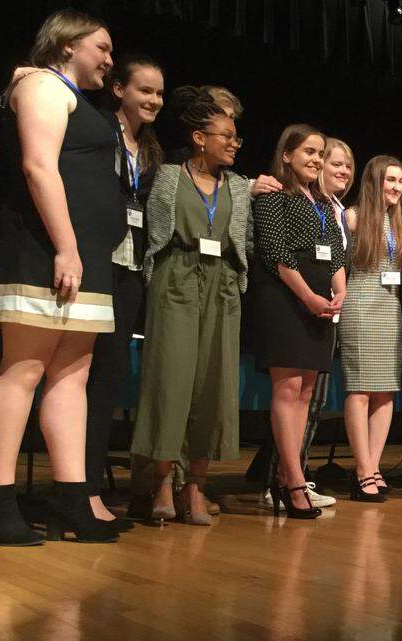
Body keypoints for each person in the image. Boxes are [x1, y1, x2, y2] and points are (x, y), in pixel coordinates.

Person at [0, 10, 125, 546]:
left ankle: (71, 498)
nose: (110, 59)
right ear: (66, 44)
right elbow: (39, 166)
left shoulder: (80, 100)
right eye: (102, 47)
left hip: (81, 256)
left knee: (72, 374)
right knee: (24, 368)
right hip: (44, 249)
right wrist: (65, 246)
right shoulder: (40, 84)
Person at [126, 85, 282, 520]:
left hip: (224, 289)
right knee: (170, 384)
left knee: (214, 389)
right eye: (225, 135)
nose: (234, 143)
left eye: (236, 137)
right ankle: (160, 484)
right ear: (199, 137)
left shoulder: (236, 185)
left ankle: (195, 486)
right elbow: (154, 235)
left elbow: (244, 242)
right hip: (176, 282)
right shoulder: (169, 177)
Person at [74, 54, 163, 532]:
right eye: (144, 90)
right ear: (119, 90)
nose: (153, 100)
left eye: (158, 93)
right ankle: (79, 487)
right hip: (93, 262)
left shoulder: (151, 151)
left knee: (108, 377)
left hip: (130, 271)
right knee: (79, 378)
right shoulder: (97, 132)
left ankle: (89, 485)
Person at [251, 124, 346, 520]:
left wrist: (340, 293)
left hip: (321, 303)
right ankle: (290, 481)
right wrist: (307, 296)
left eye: (321, 153)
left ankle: (292, 475)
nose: (316, 159)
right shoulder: (276, 196)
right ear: (287, 154)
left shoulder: (324, 203)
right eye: (309, 151)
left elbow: (337, 253)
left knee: (307, 394)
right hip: (287, 299)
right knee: (288, 390)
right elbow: (274, 251)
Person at [339, 155, 402, 501]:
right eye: (390, 180)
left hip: (389, 310)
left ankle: (374, 466)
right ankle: (362, 469)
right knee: (360, 388)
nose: (396, 187)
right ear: (374, 182)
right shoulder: (352, 217)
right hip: (360, 306)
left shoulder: (396, 223)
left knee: (385, 391)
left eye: (400, 181)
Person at [292, 137, 355, 509]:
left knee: (313, 403)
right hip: (305, 307)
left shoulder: (338, 209)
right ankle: (284, 478)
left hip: (332, 308)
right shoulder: (309, 204)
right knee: (297, 399)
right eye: (335, 163)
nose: (343, 171)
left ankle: (297, 475)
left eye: (348, 165)